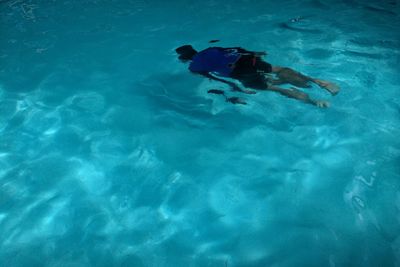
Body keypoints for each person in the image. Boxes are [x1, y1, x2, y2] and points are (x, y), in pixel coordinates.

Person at [175, 45, 340, 107]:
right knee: (277, 69)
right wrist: (255, 53)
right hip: (247, 59)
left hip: (239, 73)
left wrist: (234, 86)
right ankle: (319, 81)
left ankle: (314, 102)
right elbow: (236, 48)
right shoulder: (209, 50)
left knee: (274, 88)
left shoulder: (193, 67)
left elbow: (216, 78)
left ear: (184, 58)